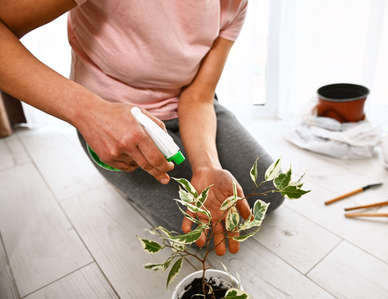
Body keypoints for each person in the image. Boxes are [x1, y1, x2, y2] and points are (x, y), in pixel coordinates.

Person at [0, 0, 283, 256]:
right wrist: (87, 112)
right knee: (201, 230)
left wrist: (207, 166)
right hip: (112, 121)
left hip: (188, 104)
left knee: (270, 192)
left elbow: (198, 96)